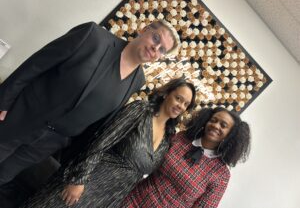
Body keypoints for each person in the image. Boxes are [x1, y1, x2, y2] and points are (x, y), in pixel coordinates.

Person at [0, 19, 181, 186]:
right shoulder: (93, 36)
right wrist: (3, 102)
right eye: (155, 38)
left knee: (3, 177)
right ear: (144, 30)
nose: (155, 48)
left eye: (163, 49)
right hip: (22, 117)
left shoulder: (138, 80)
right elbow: (36, 64)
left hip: (47, 145)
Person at [21, 78, 196, 207]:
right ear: (166, 93)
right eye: (178, 98)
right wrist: (78, 179)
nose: (180, 105)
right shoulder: (140, 111)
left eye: (186, 104)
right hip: (87, 182)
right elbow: (102, 141)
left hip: (110, 198)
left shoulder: (169, 138)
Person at [121, 106, 251, 208]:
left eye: (223, 125)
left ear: (230, 134)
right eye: (213, 120)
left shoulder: (221, 175)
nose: (216, 126)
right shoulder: (181, 138)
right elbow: (149, 160)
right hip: (131, 199)